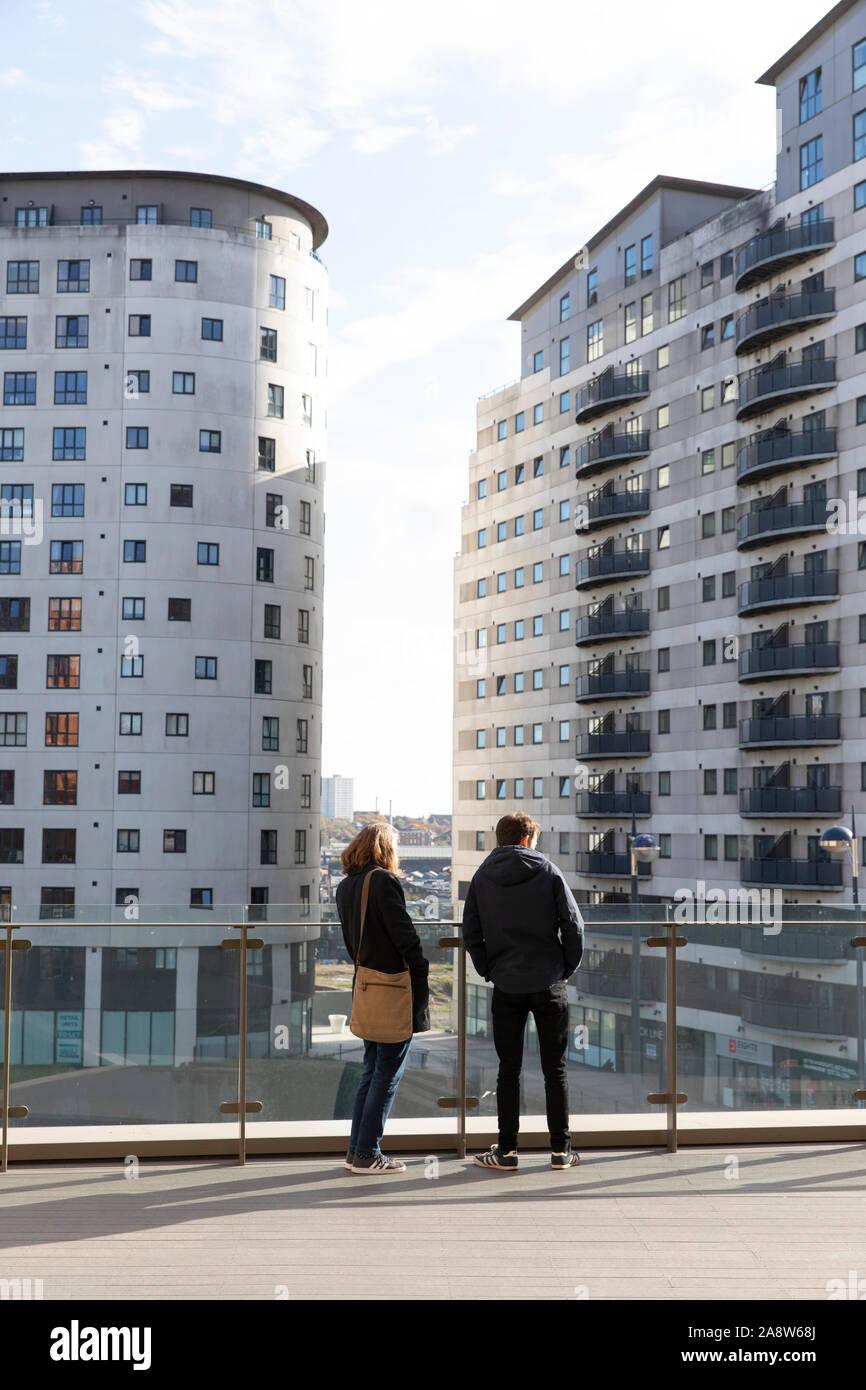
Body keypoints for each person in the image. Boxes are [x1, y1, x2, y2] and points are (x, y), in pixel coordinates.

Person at [461, 811, 584, 1171]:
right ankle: (561, 1151)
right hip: (548, 983)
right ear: (529, 839)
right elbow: (573, 926)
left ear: (500, 839)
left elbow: (471, 931)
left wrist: (489, 968)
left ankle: (508, 1151)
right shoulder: (548, 872)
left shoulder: (482, 876)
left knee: (508, 1070)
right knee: (555, 1070)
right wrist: (565, 968)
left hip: (507, 986)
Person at [336, 822, 430, 1174]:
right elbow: (404, 935)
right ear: (384, 848)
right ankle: (367, 1153)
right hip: (392, 988)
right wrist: (421, 967)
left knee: (371, 1071)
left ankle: (356, 1151)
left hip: (366, 984)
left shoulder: (346, 886)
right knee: (386, 1074)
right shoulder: (383, 882)